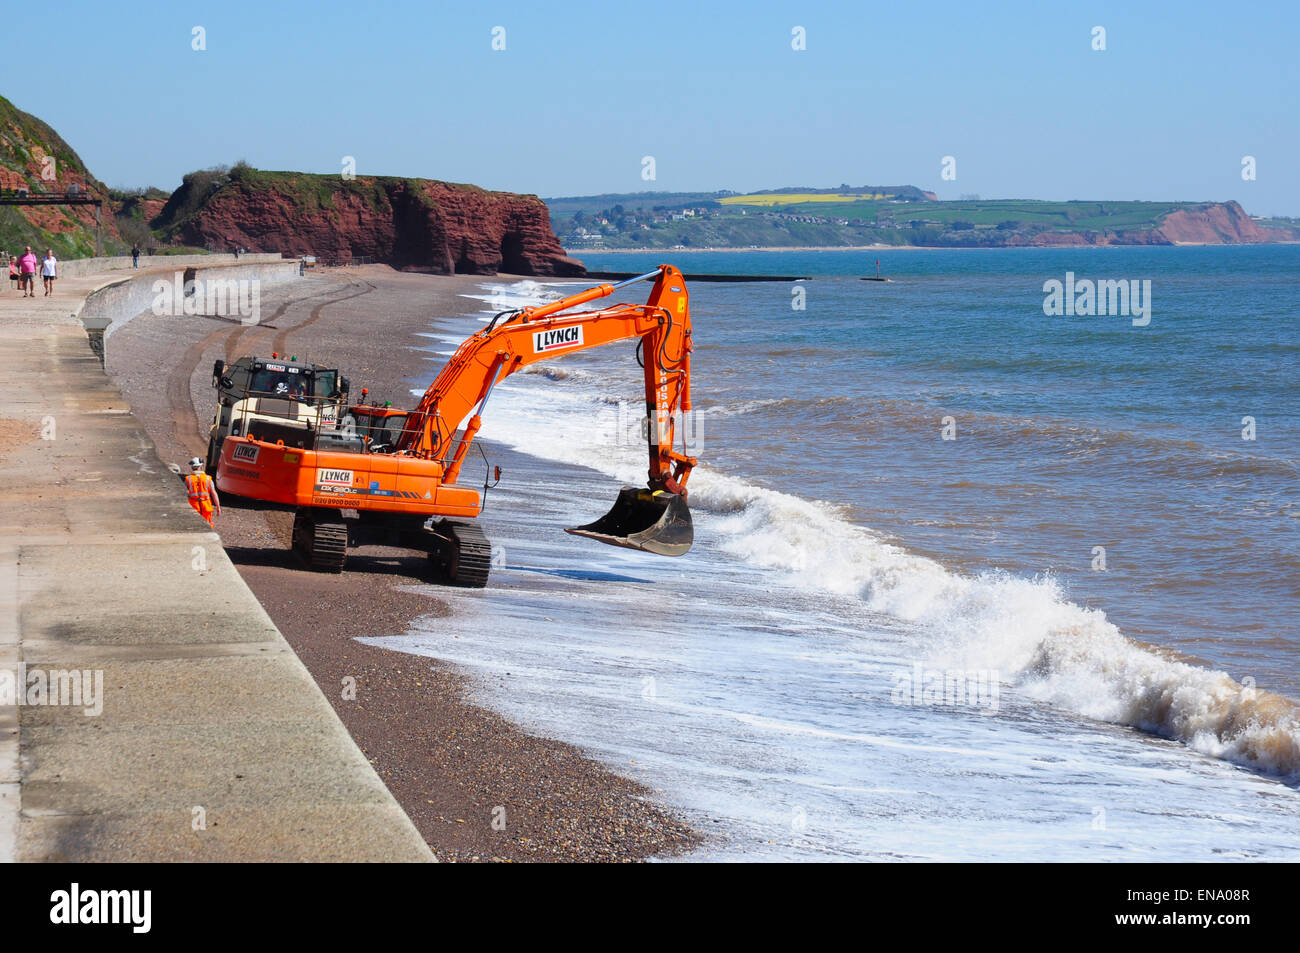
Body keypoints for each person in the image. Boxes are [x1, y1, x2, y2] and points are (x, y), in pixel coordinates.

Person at [183, 456, 220, 526]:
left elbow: (183, 494)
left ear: (192, 467)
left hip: (193, 507)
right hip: (206, 507)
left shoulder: (188, 479)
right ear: (201, 466)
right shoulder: (208, 479)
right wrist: (218, 506)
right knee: (207, 526)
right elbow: (214, 493)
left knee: (193, 526)